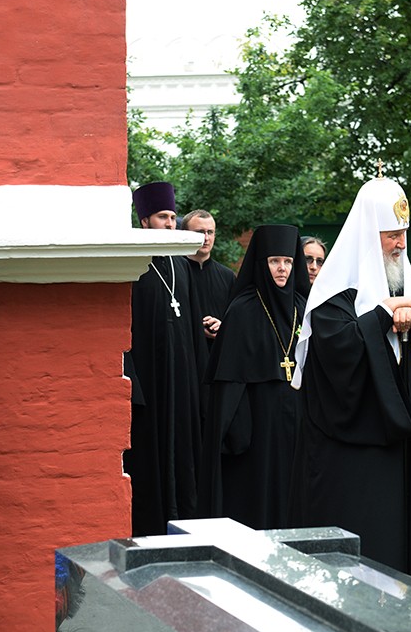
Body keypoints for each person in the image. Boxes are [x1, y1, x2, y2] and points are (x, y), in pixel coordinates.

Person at [290, 176, 411, 583]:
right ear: (367, 234)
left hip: (402, 444)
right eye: (392, 235)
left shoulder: (405, 282)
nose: (401, 244)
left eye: (404, 234)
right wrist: (382, 315)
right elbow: (337, 350)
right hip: (354, 452)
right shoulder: (334, 293)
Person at [199, 224, 309, 529]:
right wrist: (237, 430)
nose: (282, 268)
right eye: (274, 261)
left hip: (298, 422)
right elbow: (229, 386)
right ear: (262, 264)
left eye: (288, 261)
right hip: (257, 427)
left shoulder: (303, 307)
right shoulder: (242, 310)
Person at [124, 182, 206, 536]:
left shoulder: (181, 266)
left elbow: (192, 325)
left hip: (181, 381)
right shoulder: (132, 266)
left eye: (173, 217)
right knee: (151, 458)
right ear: (145, 221)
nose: (171, 224)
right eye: (163, 217)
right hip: (151, 381)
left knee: (183, 458)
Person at [180, 210, 235, 341]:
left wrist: (223, 326)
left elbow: (237, 318)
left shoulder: (228, 276)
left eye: (210, 232)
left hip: (218, 349)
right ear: (185, 234)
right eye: (199, 232)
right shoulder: (175, 273)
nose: (206, 238)